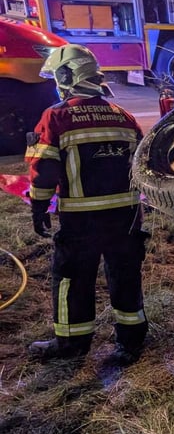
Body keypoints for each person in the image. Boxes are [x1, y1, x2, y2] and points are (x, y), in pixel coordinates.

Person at [25, 44, 147, 364]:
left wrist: (39, 206)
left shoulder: (57, 117)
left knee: (72, 279)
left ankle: (71, 344)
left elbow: (43, 166)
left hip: (82, 220)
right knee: (126, 276)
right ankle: (131, 343)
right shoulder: (124, 116)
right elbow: (141, 165)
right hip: (127, 217)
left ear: (67, 77)